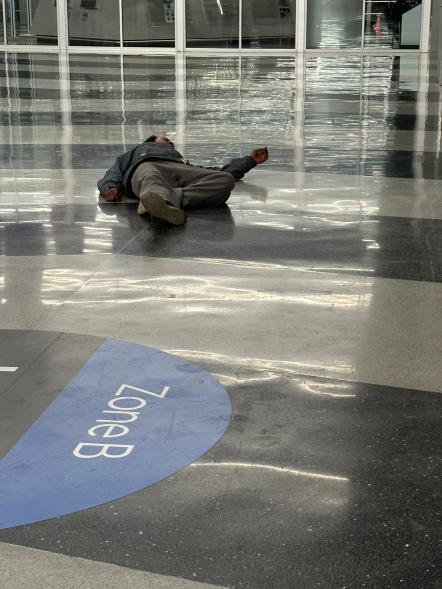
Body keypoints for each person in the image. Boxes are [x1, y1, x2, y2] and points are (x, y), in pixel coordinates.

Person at [97, 135, 269, 225]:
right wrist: (109, 187)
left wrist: (250, 160)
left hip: (180, 169)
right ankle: (158, 199)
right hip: (149, 166)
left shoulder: (182, 159)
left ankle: (161, 202)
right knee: (151, 177)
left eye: (169, 142)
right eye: (164, 139)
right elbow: (115, 169)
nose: (168, 141)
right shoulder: (140, 151)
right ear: (151, 141)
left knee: (225, 181)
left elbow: (223, 171)